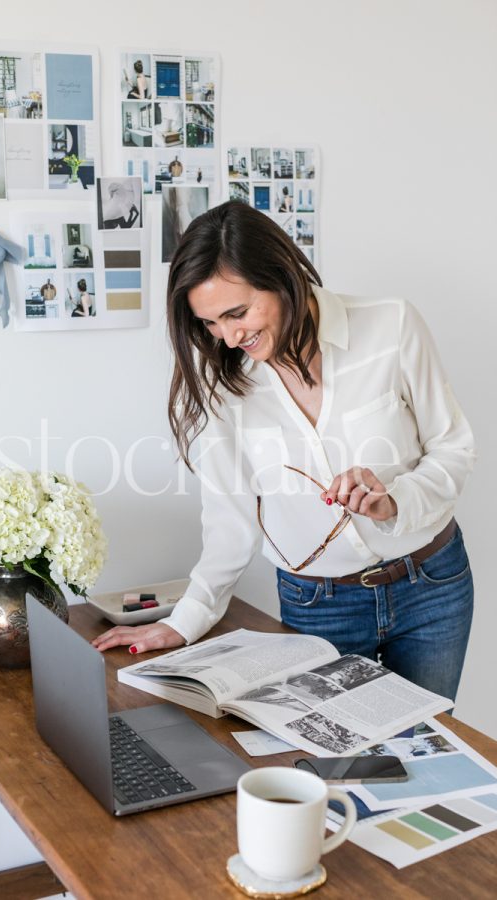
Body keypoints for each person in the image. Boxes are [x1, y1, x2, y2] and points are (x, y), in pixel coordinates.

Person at [93, 201, 475, 701]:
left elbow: (453, 448)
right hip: (318, 604)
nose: (229, 337)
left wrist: (395, 499)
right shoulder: (223, 383)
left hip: (432, 585)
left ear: (282, 276)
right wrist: (185, 621)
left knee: (424, 761)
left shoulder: (392, 326)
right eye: (209, 323)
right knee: (329, 768)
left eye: (237, 312)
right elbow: (231, 519)